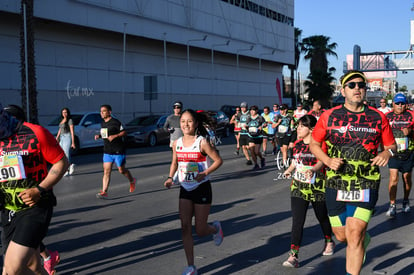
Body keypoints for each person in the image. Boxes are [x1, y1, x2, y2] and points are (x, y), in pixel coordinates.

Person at [310, 70, 396, 275]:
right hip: (335, 182)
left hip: (366, 181)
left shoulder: (377, 117)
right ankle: (362, 239)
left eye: (361, 85)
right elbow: (314, 144)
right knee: (341, 236)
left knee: (355, 233)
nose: (357, 88)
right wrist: (328, 160)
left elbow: (393, 145)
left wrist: (386, 152)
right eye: (352, 85)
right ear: (343, 90)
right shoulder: (329, 116)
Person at [0, 102, 69, 275]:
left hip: (36, 206)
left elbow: (61, 162)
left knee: (11, 269)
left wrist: (39, 189)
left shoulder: (35, 133)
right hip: (8, 209)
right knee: (32, 265)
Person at [164, 109, 223, 275]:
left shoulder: (202, 142)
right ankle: (191, 266)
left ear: (196, 123)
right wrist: (170, 177)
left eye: (189, 121)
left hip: (202, 187)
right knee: (184, 227)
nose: (185, 124)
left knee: (201, 230)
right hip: (185, 187)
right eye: (183, 121)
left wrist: (205, 173)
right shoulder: (177, 143)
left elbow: (218, 160)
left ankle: (215, 228)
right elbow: (175, 163)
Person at [282, 115, 334, 268]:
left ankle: (329, 240)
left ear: (311, 129)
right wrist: (288, 171)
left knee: (322, 217)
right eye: (298, 125)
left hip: (317, 186)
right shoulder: (297, 144)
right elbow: (295, 161)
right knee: (297, 221)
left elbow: (322, 161)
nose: (298, 128)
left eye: (302, 126)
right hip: (298, 187)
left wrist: (313, 170)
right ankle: (293, 255)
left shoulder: (319, 145)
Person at [94, 104, 136, 199]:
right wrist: (99, 136)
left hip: (118, 150)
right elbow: (105, 134)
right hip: (107, 151)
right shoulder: (102, 123)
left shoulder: (116, 122)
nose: (102, 113)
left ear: (109, 112)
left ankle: (132, 180)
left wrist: (115, 136)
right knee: (106, 171)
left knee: (121, 170)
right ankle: (104, 191)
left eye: (104, 111)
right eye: (101, 111)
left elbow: (124, 132)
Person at [385, 93, 414, 218]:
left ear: (406, 105)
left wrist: (411, 131)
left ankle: (406, 200)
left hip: (408, 153)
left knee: (406, 179)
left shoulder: (411, 115)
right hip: (393, 153)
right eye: (398, 103)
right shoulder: (387, 116)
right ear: (393, 104)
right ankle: (392, 205)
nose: (400, 106)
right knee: (393, 178)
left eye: (402, 103)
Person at [55, 107, 76, 176]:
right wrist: (57, 138)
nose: (64, 114)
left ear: (68, 113)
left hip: (67, 137)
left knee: (66, 154)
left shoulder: (70, 120)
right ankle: (70, 165)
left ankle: (66, 170)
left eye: (66, 112)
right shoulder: (62, 120)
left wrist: (73, 142)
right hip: (61, 137)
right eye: (63, 112)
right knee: (62, 154)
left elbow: (72, 132)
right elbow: (60, 130)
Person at [273, 104, 294, 169]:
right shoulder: (278, 116)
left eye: (282, 110)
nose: (281, 111)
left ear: (285, 110)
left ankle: (285, 163)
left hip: (287, 134)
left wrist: (292, 128)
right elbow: (273, 126)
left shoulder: (289, 117)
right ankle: (286, 158)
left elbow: (292, 125)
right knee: (282, 149)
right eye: (280, 110)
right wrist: (278, 123)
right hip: (279, 134)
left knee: (285, 148)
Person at [246, 105, 266, 170]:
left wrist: (262, 126)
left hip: (258, 136)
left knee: (257, 152)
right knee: (252, 151)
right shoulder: (249, 118)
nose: (251, 112)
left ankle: (262, 159)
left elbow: (265, 124)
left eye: (253, 110)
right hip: (251, 136)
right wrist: (246, 127)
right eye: (250, 110)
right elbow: (247, 125)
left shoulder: (260, 117)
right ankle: (256, 164)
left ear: (256, 111)